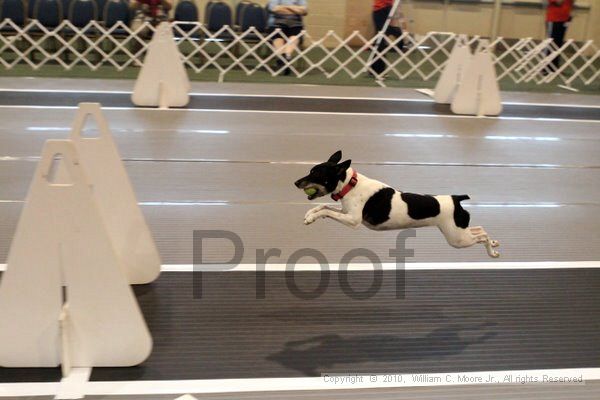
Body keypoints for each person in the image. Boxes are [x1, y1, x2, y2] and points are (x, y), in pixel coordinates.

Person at [267, 0, 308, 76]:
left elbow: (304, 11)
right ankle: (284, 57)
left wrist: (285, 7)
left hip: (296, 23)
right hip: (277, 22)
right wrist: (295, 9)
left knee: (295, 34)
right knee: (278, 36)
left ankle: (285, 56)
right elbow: (273, 9)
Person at [370, 0, 405, 76]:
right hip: (381, 10)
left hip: (383, 10)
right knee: (380, 40)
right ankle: (378, 71)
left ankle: (375, 70)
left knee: (379, 41)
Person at [546, 0, 574, 69]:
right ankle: (546, 67)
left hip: (565, 18)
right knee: (551, 43)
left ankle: (554, 67)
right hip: (554, 19)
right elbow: (559, 1)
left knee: (559, 44)